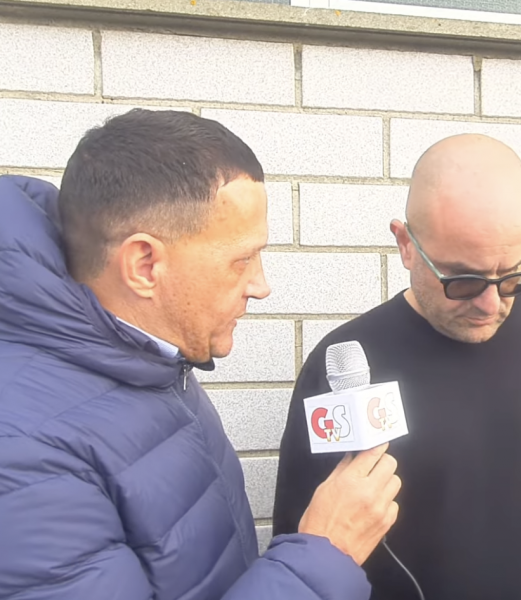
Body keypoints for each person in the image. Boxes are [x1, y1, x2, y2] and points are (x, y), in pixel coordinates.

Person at [0, 109, 401, 600]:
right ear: (144, 264)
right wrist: (324, 554)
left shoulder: (151, 360)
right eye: (241, 259)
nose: (261, 285)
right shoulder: (24, 456)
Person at [273, 133, 521, 600]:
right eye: (463, 280)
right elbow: (305, 556)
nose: (491, 304)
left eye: (513, 275)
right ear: (406, 244)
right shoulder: (346, 365)